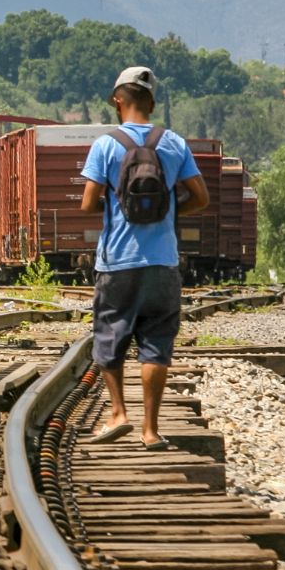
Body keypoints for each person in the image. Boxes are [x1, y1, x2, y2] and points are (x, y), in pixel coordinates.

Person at [79, 65, 211, 451]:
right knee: (156, 343)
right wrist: (169, 211)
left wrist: (116, 204)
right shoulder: (174, 144)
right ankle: (150, 430)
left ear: (119, 100)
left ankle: (118, 413)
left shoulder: (106, 144)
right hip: (162, 261)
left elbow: (88, 203)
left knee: (109, 337)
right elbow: (201, 198)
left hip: (117, 261)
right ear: (151, 103)